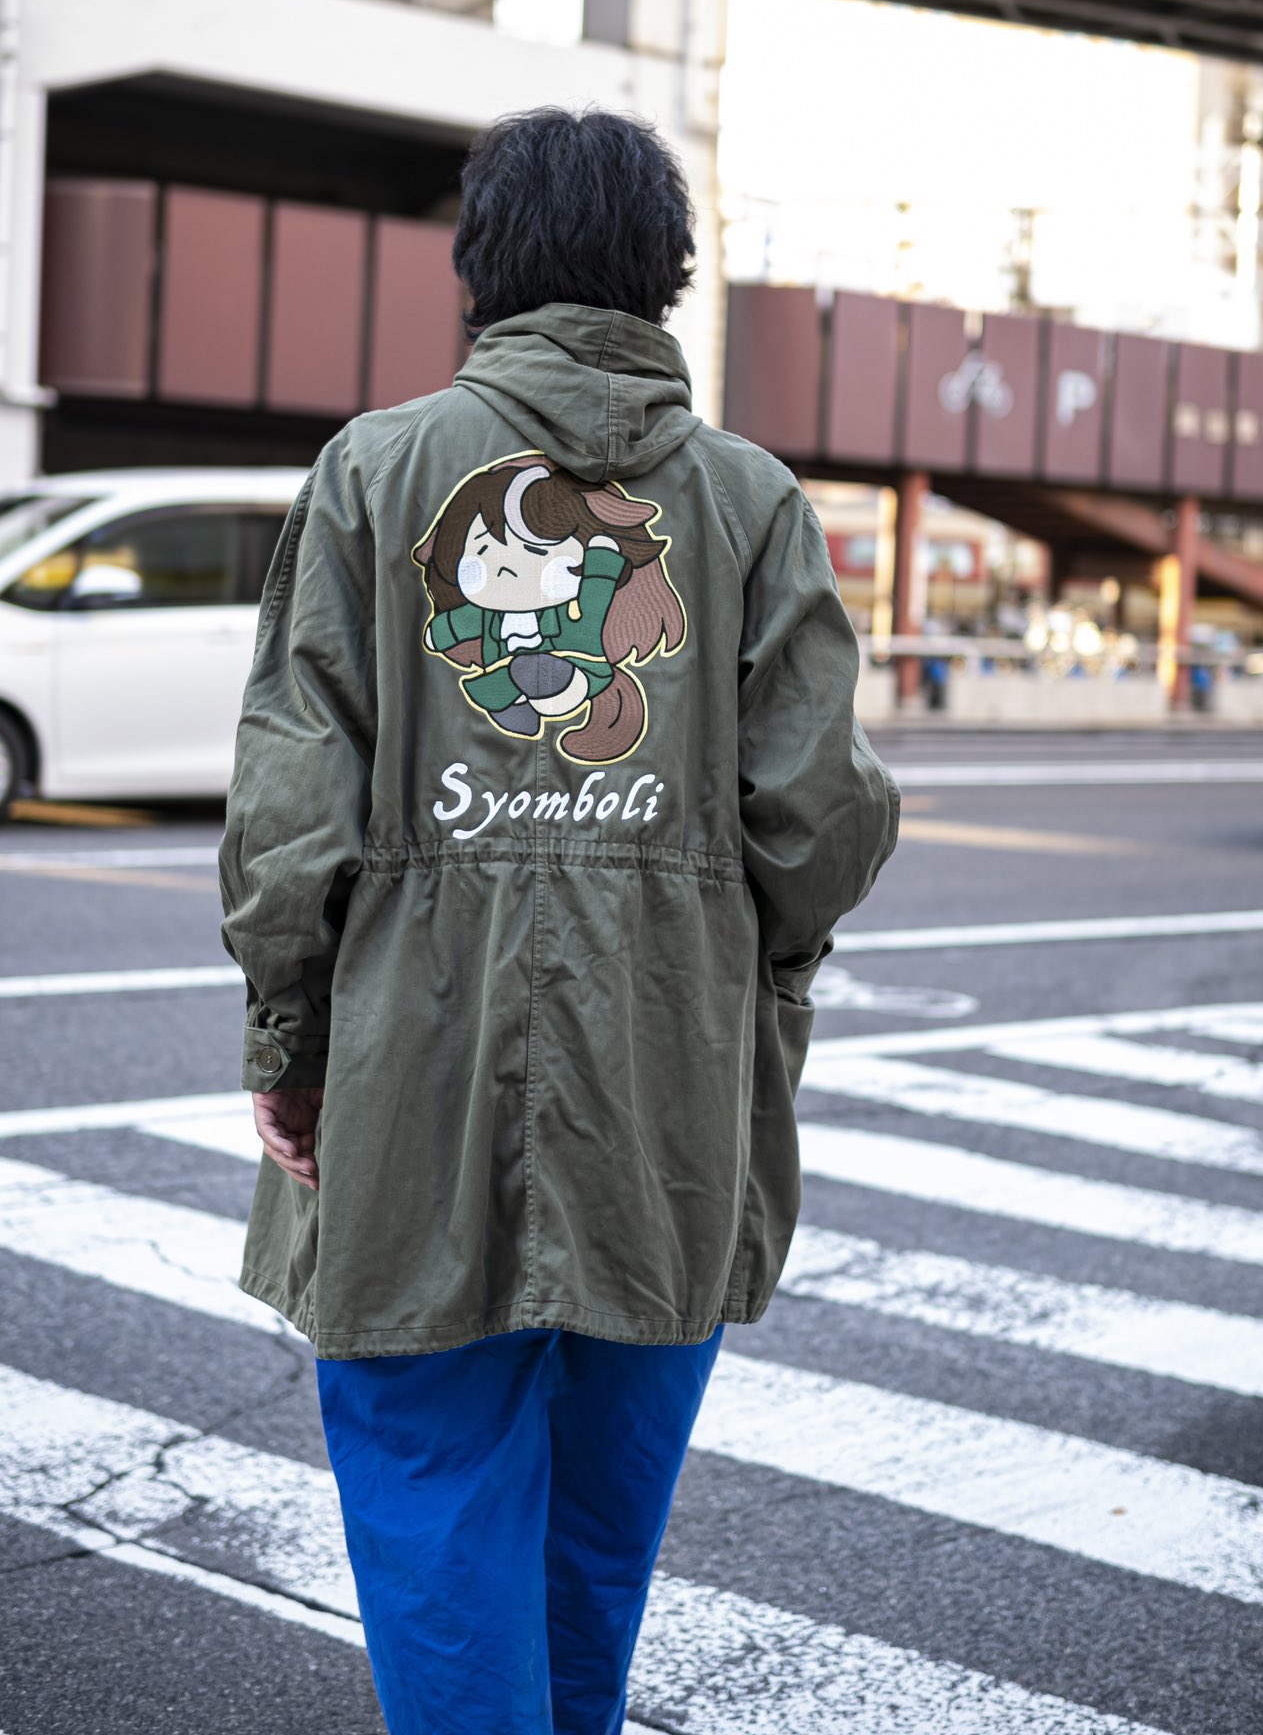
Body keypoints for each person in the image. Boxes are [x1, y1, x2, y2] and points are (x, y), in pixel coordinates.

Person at [219, 106, 900, 1734]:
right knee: (600, 1518)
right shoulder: (747, 501)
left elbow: (292, 804)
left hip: (409, 1073)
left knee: (431, 1479)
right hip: (674, 1083)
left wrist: (289, 1042)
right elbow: (820, 815)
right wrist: (756, 987)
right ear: (664, 272)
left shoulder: (375, 471)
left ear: (485, 264)